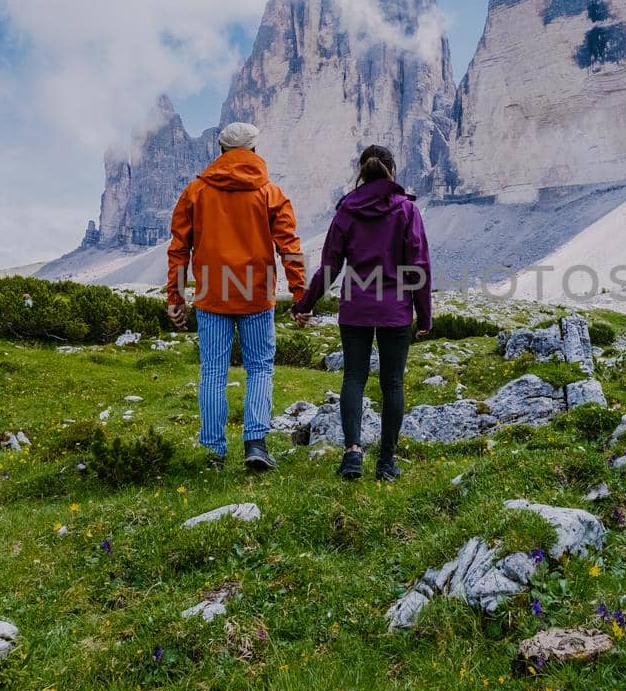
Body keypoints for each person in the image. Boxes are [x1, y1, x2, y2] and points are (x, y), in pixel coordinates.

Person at [166, 121, 306, 472]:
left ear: (221, 150)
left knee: (213, 372)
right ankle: (255, 443)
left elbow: (179, 249)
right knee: (259, 368)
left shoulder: (195, 191)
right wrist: (300, 293)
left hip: (212, 294)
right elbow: (289, 247)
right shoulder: (271, 193)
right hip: (256, 294)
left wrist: (176, 296)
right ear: (255, 150)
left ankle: (213, 452)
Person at [293, 145, 431, 481]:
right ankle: (386, 462)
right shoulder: (407, 210)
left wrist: (305, 304)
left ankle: (352, 454)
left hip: (355, 307)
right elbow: (419, 265)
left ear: (361, 170)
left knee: (353, 378)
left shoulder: (346, 211)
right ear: (392, 171)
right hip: (395, 310)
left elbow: (330, 265)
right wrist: (424, 315)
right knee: (392, 383)